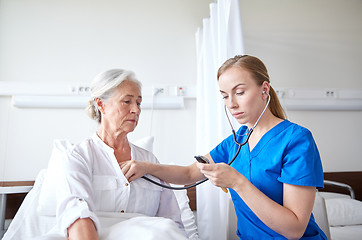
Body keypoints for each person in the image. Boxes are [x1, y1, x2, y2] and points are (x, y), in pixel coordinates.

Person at [121, 55, 328, 240]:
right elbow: (189, 173)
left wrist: (237, 182)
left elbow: (294, 229)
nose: (231, 104)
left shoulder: (296, 140)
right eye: (225, 96)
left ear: (264, 89)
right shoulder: (237, 140)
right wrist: (146, 167)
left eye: (239, 92)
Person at [3, 69, 187, 240]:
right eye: (127, 101)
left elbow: (172, 222)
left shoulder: (149, 161)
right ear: (101, 104)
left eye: (139, 103)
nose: (136, 110)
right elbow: (77, 216)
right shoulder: (78, 157)